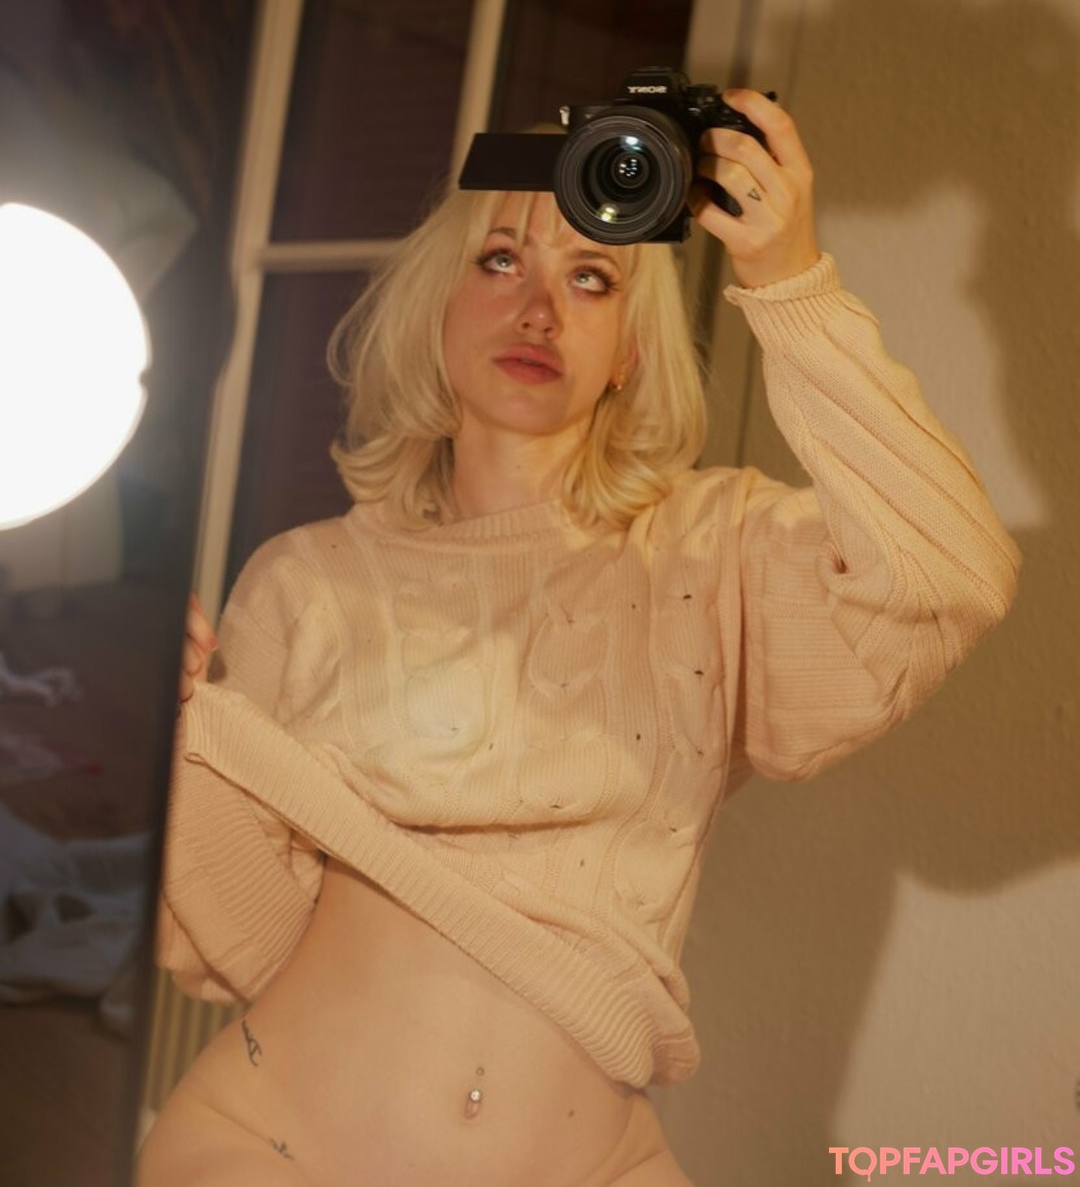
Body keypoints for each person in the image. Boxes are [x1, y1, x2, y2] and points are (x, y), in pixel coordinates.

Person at [136, 92, 1019, 1186]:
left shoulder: (713, 552)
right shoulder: (305, 579)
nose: (540, 309)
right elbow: (249, 944)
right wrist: (180, 740)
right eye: (501, 261)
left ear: (630, 352)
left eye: (592, 278)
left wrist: (788, 279)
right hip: (273, 1146)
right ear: (439, 307)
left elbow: (950, 575)